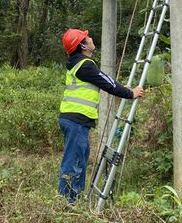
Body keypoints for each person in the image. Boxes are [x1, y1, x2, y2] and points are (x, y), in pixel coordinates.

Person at [58, 28, 144, 204]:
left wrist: (124, 88)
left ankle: (75, 199)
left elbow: (106, 80)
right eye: (87, 37)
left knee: (79, 160)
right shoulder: (85, 65)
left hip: (74, 120)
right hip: (76, 120)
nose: (90, 38)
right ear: (82, 45)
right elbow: (108, 84)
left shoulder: (79, 64)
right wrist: (131, 93)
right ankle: (66, 203)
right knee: (73, 163)